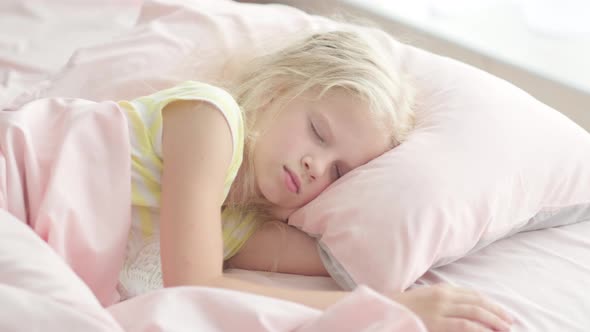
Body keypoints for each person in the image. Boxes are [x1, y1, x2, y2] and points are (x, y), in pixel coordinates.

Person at [117, 30, 513, 332]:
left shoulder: (239, 225)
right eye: (318, 133)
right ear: (277, 89)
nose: (316, 166)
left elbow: (355, 256)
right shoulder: (211, 119)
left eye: (338, 172)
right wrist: (387, 310)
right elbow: (194, 285)